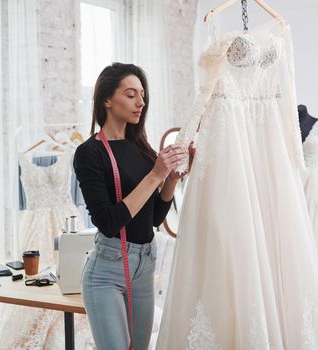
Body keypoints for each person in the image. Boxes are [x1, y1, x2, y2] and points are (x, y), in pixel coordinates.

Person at [74, 62, 190, 350]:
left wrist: (171, 180)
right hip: (106, 271)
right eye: (130, 94)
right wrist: (156, 176)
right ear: (107, 100)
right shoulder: (90, 153)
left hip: (144, 265)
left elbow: (153, 219)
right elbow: (109, 222)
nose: (141, 102)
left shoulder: (142, 148)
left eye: (142, 94)